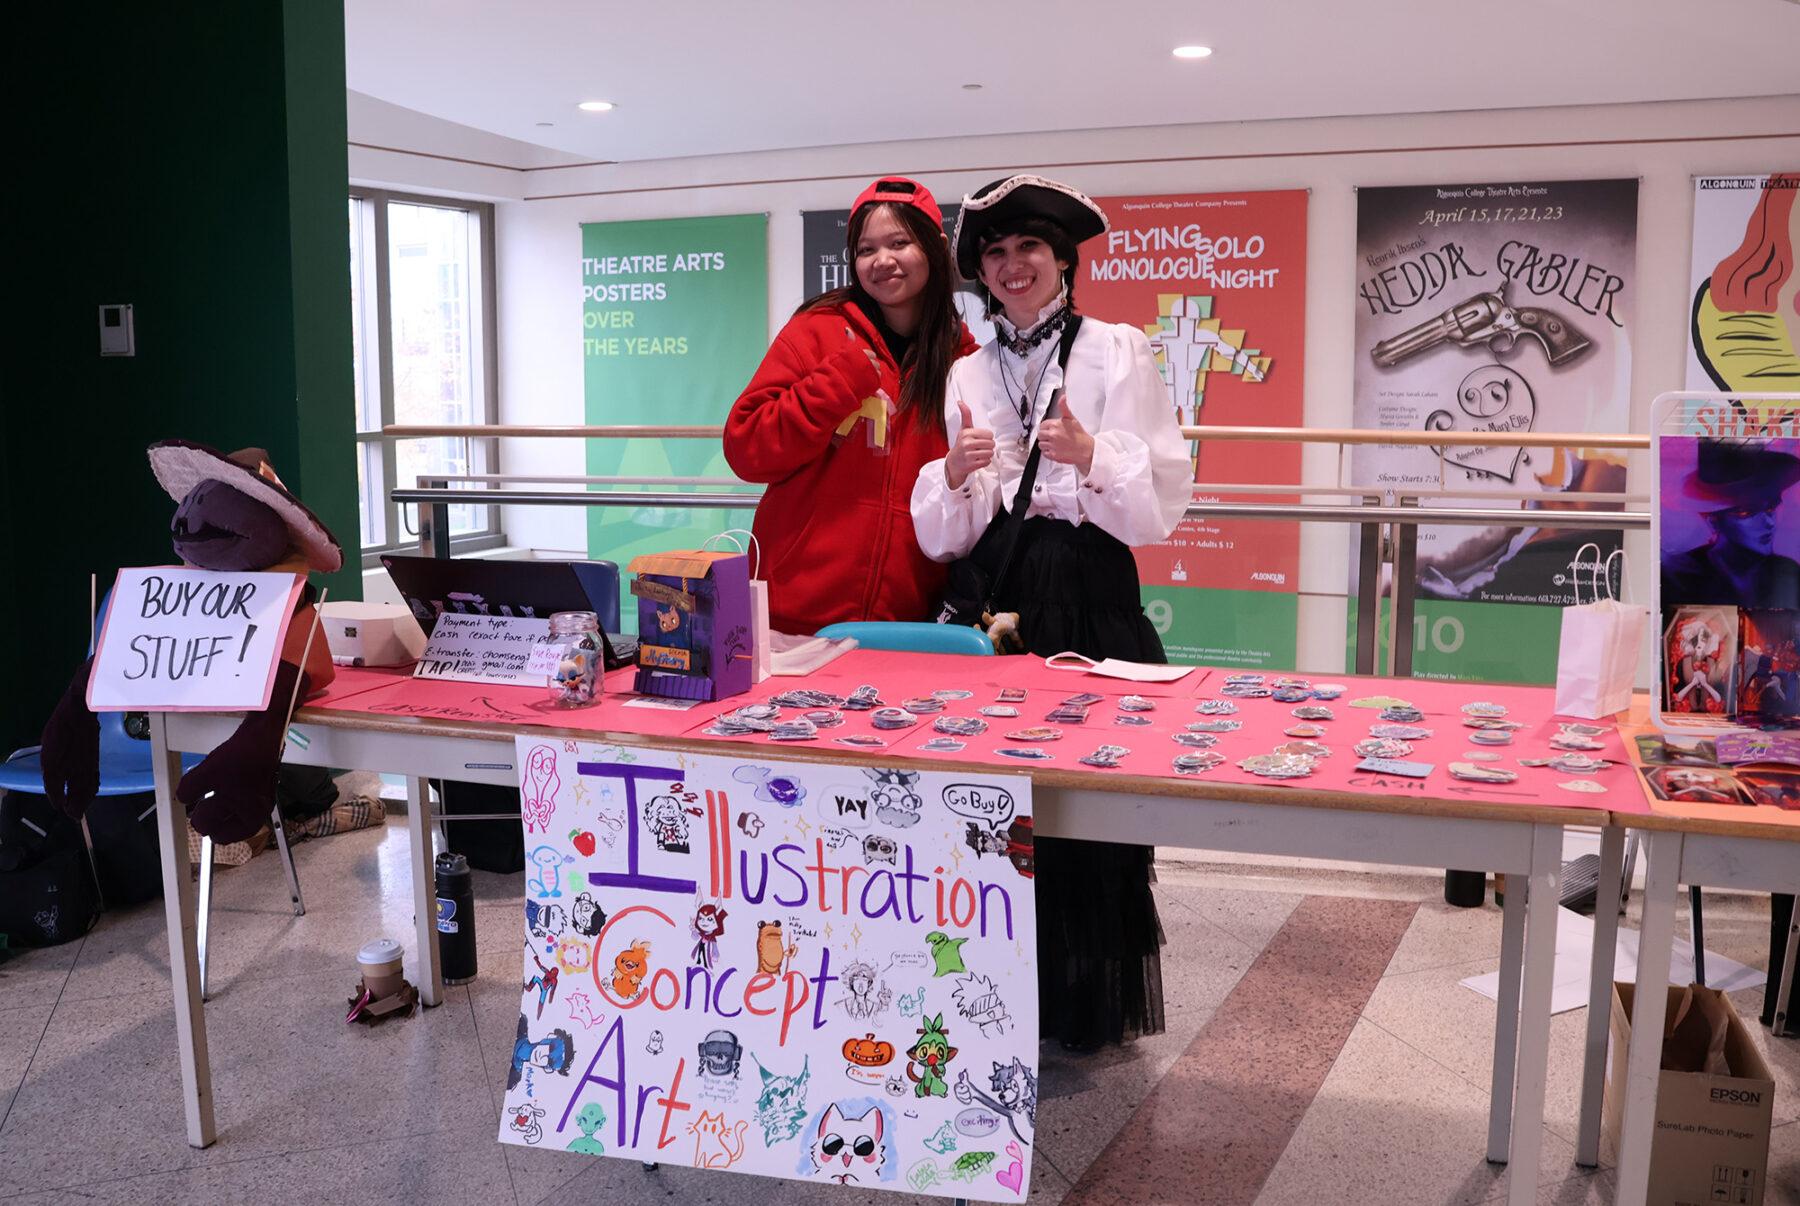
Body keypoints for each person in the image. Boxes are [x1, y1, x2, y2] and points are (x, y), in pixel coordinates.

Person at [912, 174, 1192, 1049]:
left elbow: (1162, 505)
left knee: (1090, 809)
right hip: (1003, 601)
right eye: (994, 254)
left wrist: (1092, 453)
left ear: (1063, 259)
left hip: (1092, 590)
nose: (1010, 265)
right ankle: (999, 1004)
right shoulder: (967, 366)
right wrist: (958, 473)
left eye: (1027, 247)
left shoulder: (1116, 349)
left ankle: (1081, 1008)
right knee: (1000, 808)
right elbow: (945, 533)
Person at [725, 178, 979, 635]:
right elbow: (746, 448)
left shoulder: (964, 360)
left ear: (935, 247)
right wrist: (839, 380)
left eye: (899, 243)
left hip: (907, 624)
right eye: (866, 249)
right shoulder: (816, 331)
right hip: (791, 616)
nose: (882, 261)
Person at [1661, 440, 1800, 609]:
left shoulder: (1787, 573)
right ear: (1713, 521)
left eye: (1771, 507)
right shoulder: (1680, 576)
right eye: (1748, 512)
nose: (1768, 521)